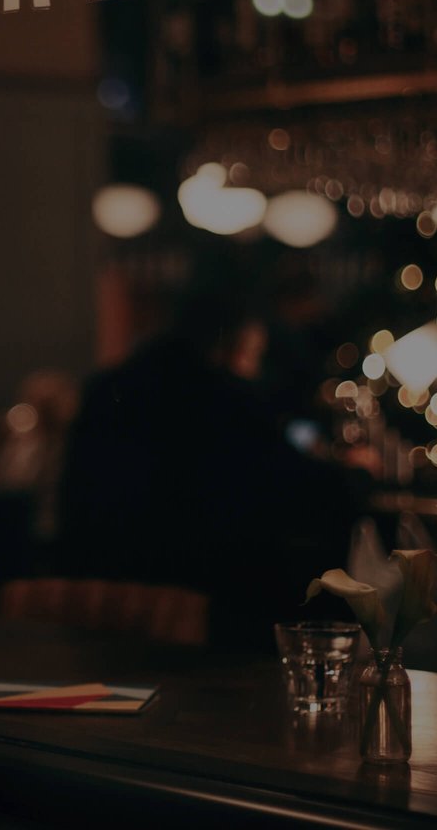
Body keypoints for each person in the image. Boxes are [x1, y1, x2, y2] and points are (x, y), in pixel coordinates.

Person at [58, 271, 373, 649]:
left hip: (93, 601)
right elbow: (304, 490)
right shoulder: (221, 396)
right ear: (234, 341)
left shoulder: (109, 385)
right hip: (197, 613)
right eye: (254, 351)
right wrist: (358, 474)